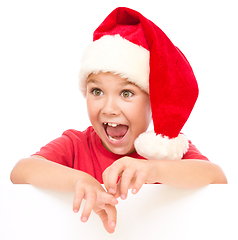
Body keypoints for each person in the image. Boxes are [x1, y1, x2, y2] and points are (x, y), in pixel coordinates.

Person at [10, 7, 227, 234]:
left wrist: (154, 170)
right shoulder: (75, 145)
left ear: (153, 102)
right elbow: (21, 171)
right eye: (96, 91)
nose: (109, 108)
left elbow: (216, 177)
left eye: (126, 93)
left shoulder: (167, 149)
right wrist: (78, 181)